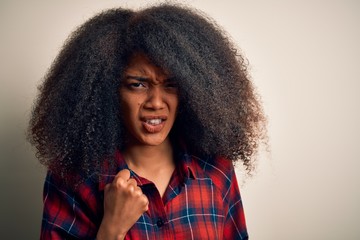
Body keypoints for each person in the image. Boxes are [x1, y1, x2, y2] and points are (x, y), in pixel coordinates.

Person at [28, 3, 266, 240]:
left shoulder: (216, 169)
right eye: (138, 84)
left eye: (171, 85)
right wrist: (112, 229)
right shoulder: (74, 178)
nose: (156, 102)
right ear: (108, 89)